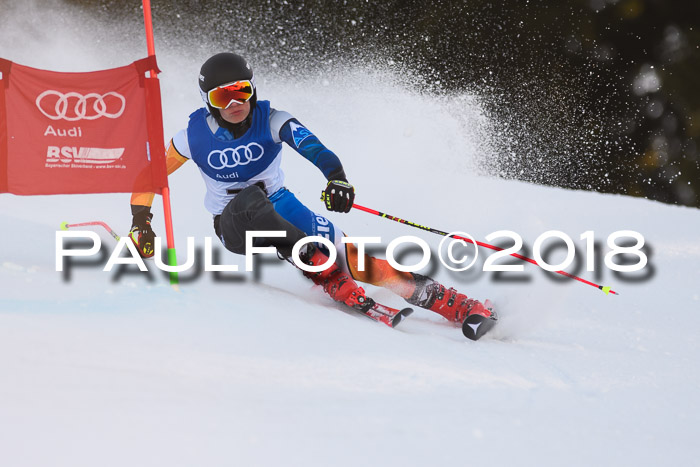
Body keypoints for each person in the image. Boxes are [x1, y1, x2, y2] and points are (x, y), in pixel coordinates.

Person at [129, 52, 492, 324]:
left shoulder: (273, 120)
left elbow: (316, 149)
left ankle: (453, 304)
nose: (236, 104)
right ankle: (327, 275)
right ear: (208, 101)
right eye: (223, 98)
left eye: (242, 92)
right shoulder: (191, 138)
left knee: (359, 262)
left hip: (281, 206)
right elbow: (149, 176)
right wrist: (141, 221)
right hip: (232, 224)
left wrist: (336, 178)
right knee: (252, 200)